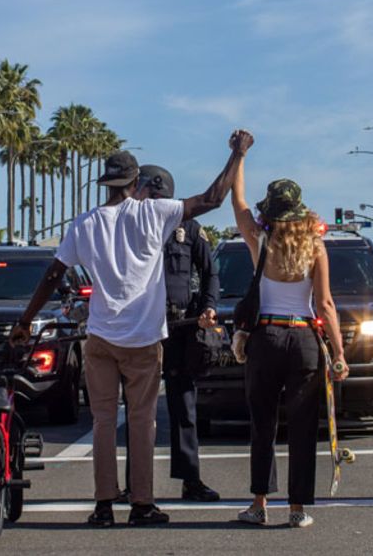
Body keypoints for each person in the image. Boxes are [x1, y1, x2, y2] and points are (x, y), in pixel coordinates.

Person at [12, 134, 250, 527]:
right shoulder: (152, 214)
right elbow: (211, 199)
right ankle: (142, 505)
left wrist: (25, 321)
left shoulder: (85, 223)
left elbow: (54, 274)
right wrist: (237, 153)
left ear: (106, 184)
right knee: (142, 421)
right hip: (142, 338)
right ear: (136, 181)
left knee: (104, 422)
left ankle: (104, 506)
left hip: (101, 338)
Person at [230, 164, 347, 529]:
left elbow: (238, 200)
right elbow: (325, 305)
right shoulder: (316, 247)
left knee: (263, 424)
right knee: (302, 426)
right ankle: (297, 508)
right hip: (304, 340)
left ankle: (259, 503)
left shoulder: (259, 240)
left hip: (266, 337)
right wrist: (339, 354)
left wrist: (239, 157)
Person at [119, 164, 221, 503]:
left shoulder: (189, 228)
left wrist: (208, 307)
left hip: (180, 328)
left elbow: (210, 273)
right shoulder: (130, 227)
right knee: (139, 409)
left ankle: (190, 480)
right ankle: (135, 485)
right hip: (145, 327)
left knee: (184, 407)